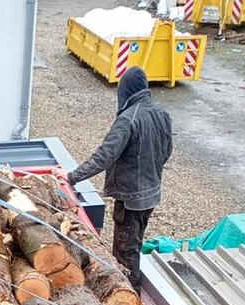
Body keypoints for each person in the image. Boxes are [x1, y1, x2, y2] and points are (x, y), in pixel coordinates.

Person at [66, 67, 173, 292]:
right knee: (135, 243)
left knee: (125, 252)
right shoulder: (162, 113)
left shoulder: (128, 119)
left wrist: (71, 177)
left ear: (126, 91)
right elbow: (167, 150)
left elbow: (105, 155)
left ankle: (127, 295)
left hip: (132, 199)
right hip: (151, 194)